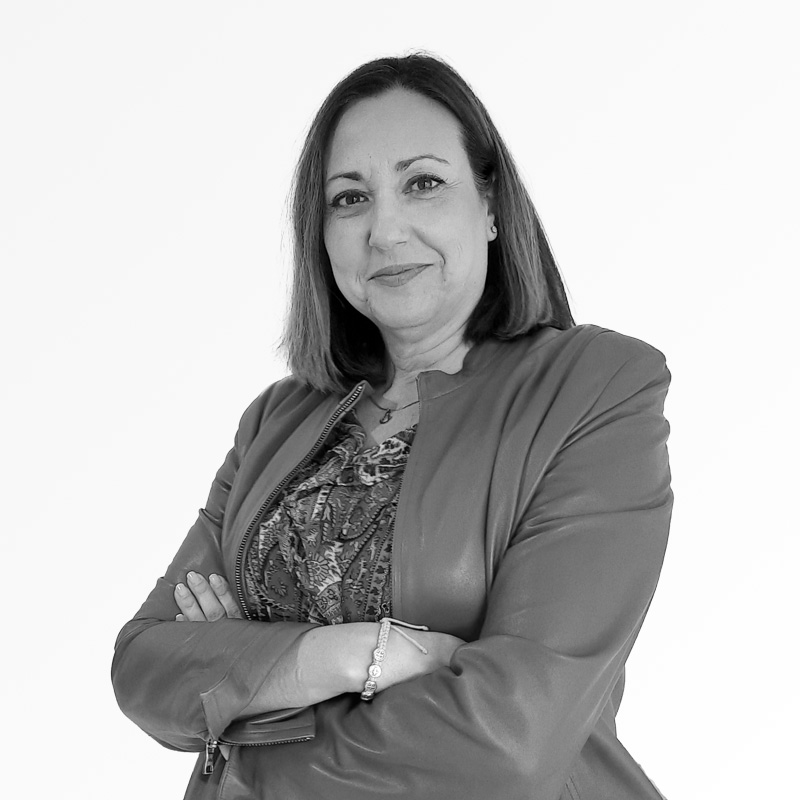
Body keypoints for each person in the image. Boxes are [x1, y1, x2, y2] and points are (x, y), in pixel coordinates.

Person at [112, 53, 672, 800]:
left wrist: (244, 721)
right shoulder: (277, 420)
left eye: (423, 183)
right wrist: (348, 656)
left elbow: (507, 741)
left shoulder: (597, 388)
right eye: (350, 199)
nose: (385, 229)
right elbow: (145, 665)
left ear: (490, 203)